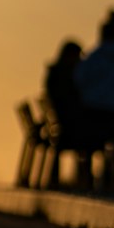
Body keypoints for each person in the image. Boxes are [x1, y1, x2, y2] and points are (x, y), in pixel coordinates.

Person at [74, 10, 114, 191]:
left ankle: (86, 177)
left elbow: (79, 80)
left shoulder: (92, 57)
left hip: (93, 113)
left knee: (88, 141)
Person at [42, 39, 83, 186]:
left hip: (58, 123)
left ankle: (56, 181)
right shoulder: (65, 76)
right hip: (63, 125)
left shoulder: (54, 73)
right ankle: (83, 181)